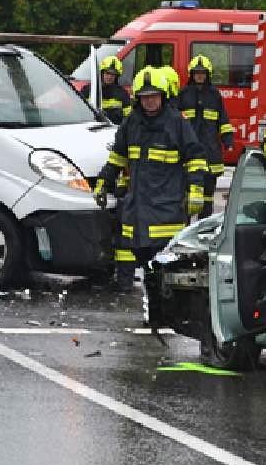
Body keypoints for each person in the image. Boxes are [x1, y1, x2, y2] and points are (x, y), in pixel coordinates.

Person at [94, 66, 205, 293]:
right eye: (144, 97)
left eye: (153, 96)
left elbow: (195, 158)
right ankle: (124, 289)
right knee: (127, 245)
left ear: (163, 95)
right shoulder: (131, 122)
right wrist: (103, 182)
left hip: (167, 202)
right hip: (137, 202)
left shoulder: (177, 122)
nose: (149, 102)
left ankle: (163, 300)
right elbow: (118, 157)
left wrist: (196, 190)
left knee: (164, 258)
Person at [176, 55, 233, 218]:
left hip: (210, 151)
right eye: (196, 73)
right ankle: (185, 228)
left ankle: (204, 228)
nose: (199, 75)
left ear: (208, 74)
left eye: (202, 73)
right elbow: (175, 119)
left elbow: (223, 119)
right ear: (191, 74)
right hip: (189, 150)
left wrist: (227, 140)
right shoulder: (184, 94)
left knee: (207, 195)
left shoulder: (215, 95)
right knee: (188, 193)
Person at [96, 54, 131, 125]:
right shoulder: (89, 90)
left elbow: (129, 118)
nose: (109, 77)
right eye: (107, 73)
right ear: (102, 73)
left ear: (116, 76)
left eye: (113, 74)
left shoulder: (123, 94)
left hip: (113, 129)